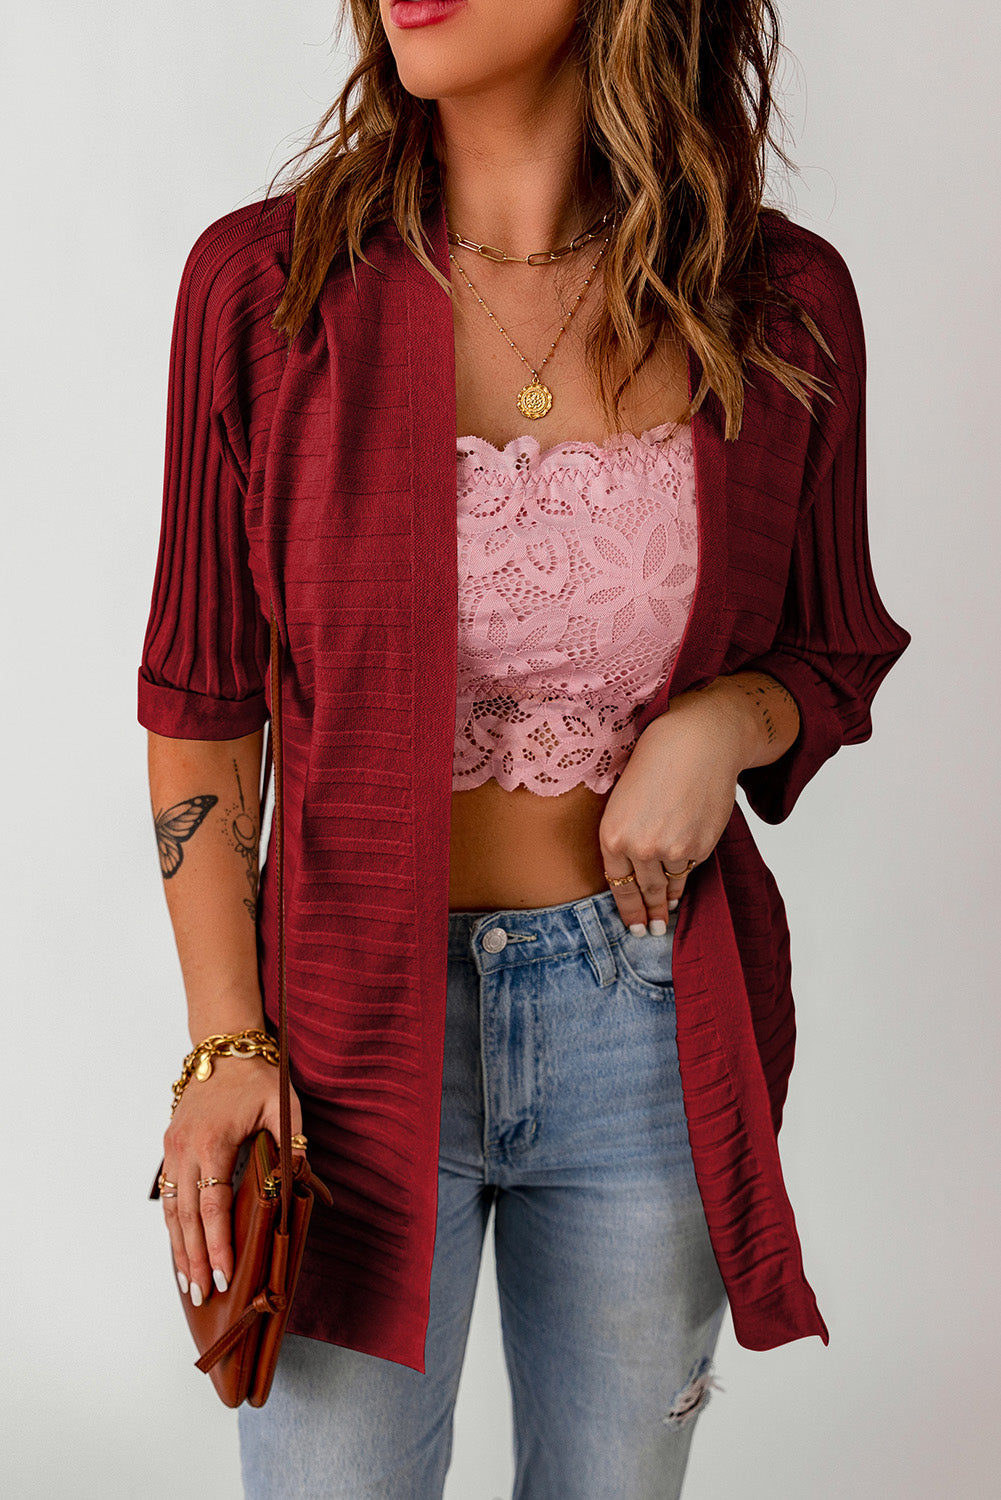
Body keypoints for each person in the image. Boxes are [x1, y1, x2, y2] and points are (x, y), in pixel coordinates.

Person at [138, 0, 910, 1495]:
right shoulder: (267, 288)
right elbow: (201, 703)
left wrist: (720, 725)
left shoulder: (778, 305)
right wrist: (226, 1041)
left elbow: (832, 648)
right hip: (345, 1044)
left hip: (648, 1021)